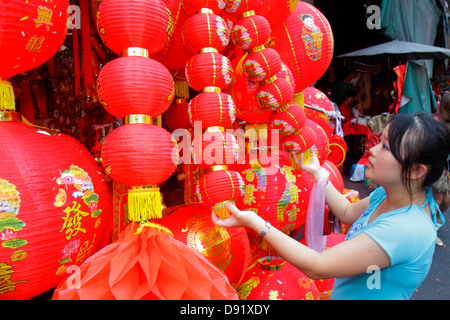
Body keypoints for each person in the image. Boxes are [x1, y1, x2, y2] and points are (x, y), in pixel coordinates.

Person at [213, 113, 450, 300]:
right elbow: (347, 213)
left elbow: (318, 266)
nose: (373, 150)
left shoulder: (403, 229)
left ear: (417, 171)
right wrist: (318, 172)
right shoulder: (392, 195)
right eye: (380, 141)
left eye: (386, 148)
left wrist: (256, 222)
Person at [434, 93, 450, 246]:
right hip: (439, 167)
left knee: (446, 199)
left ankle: (436, 225)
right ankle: (431, 230)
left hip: (446, 168)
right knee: (438, 199)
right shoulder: (438, 126)